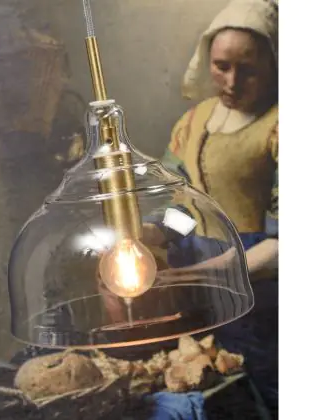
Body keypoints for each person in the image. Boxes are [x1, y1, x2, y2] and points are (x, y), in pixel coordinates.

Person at [155, 0, 279, 415]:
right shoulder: (195, 120)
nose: (232, 81)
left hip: (260, 289)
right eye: (221, 66)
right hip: (202, 294)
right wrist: (156, 232)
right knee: (213, 384)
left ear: (272, 65)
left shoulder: (281, 124)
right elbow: (184, 209)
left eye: (248, 70)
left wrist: (205, 273)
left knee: (268, 384)